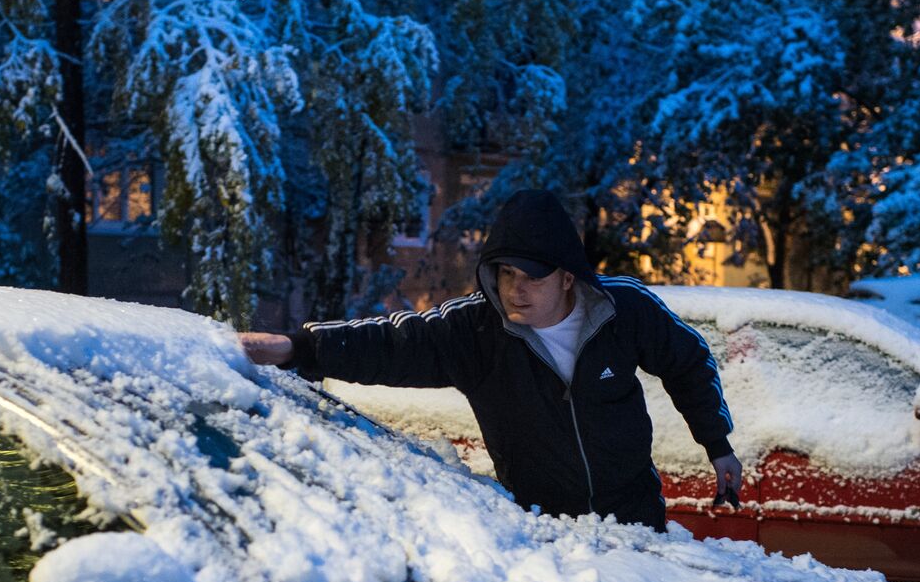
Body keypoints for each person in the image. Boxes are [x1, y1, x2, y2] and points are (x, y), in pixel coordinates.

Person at [239, 189, 743, 532]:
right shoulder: (476, 332)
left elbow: (688, 361)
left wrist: (717, 445)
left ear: (567, 277)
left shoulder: (622, 310)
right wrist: (297, 347)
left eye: (531, 278)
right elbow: (393, 344)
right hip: (544, 532)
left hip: (635, 521)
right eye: (504, 274)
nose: (514, 290)